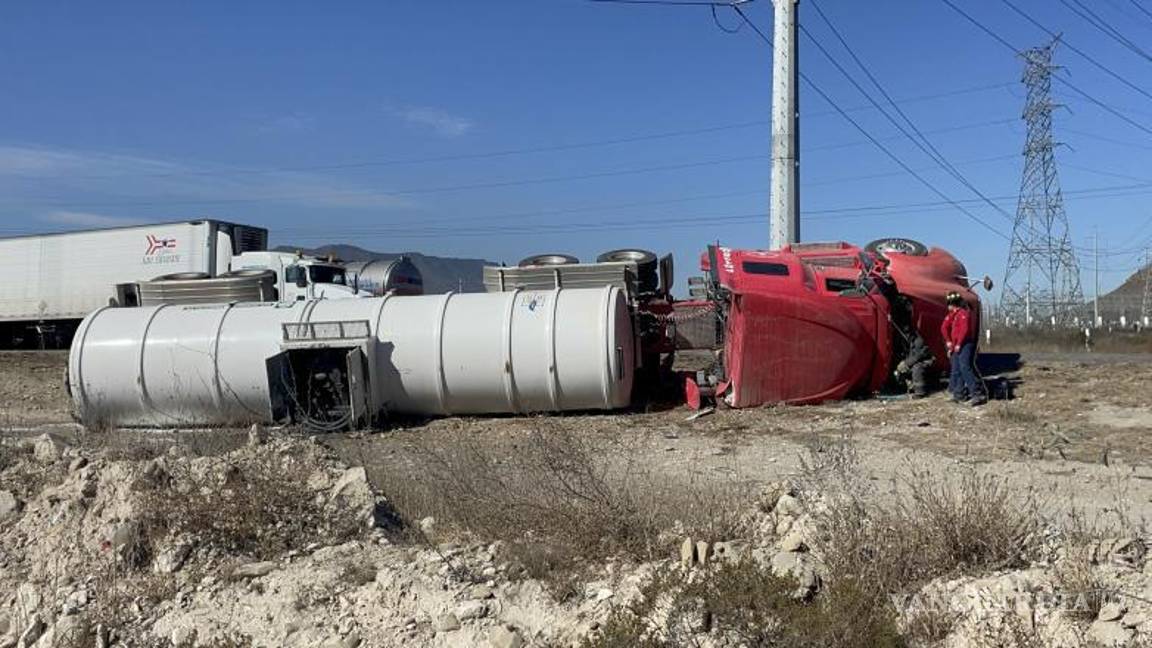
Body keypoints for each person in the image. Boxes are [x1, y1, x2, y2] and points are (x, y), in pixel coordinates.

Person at [941, 291, 987, 406]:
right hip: (956, 344)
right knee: (956, 369)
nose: (948, 306)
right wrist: (948, 342)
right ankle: (959, 393)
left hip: (965, 344)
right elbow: (944, 327)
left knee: (965, 367)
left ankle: (977, 393)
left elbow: (964, 330)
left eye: (949, 304)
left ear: (953, 303)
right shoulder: (954, 315)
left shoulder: (963, 314)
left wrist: (958, 344)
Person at [894, 333, 935, 398]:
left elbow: (918, 356)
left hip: (925, 361)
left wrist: (906, 363)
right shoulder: (906, 342)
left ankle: (920, 392)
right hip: (913, 361)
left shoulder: (918, 341)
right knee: (900, 371)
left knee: (916, 368)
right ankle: (911, 387)